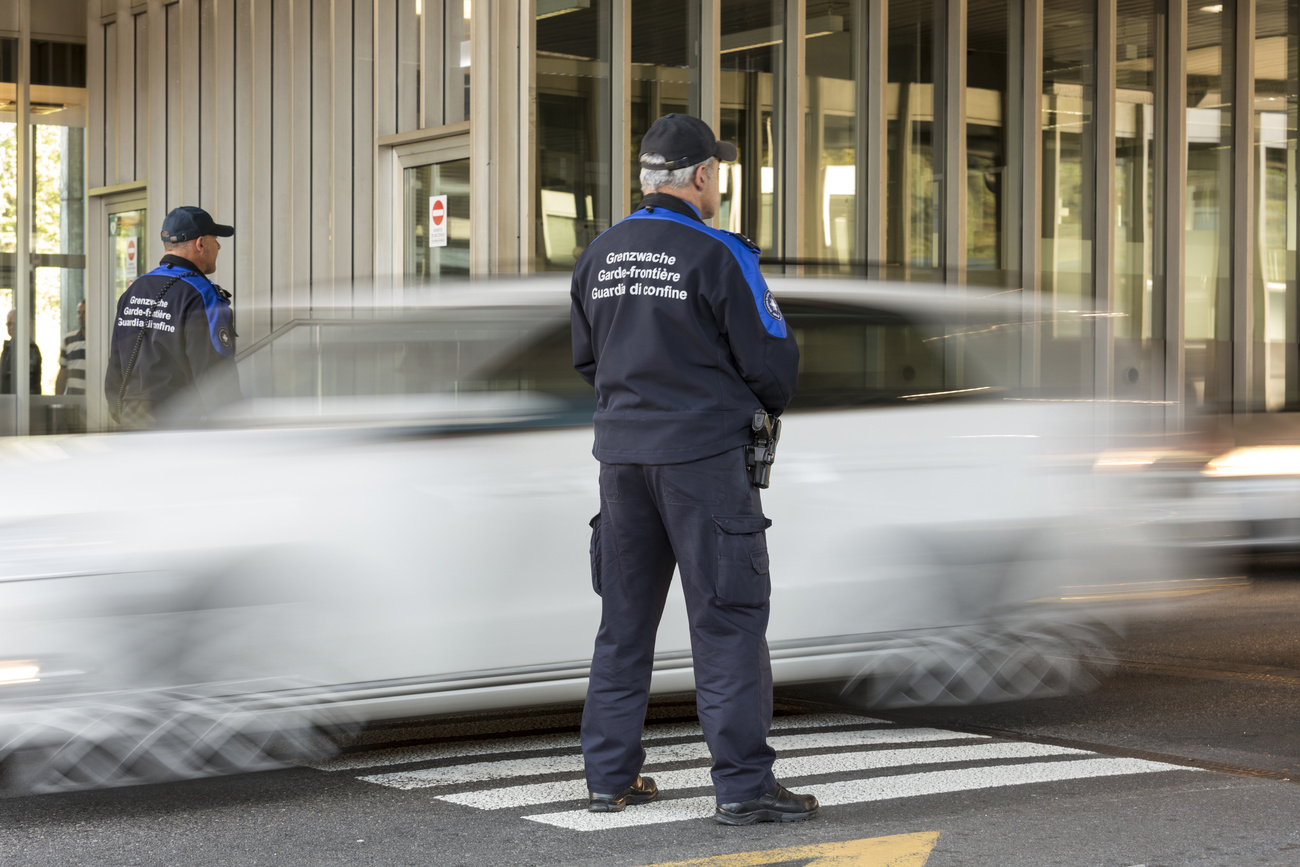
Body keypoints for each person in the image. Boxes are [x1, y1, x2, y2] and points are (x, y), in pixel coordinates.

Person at [570, 113, 813, 825]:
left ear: (647, 177)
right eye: (718, 173)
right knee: (727, 620)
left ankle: (609, 777)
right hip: (702, 462)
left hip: (620, 463)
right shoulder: (718, 253)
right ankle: (742, 785)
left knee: (624, 621)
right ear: (703, 176)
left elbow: (588, 359)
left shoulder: (601, 253)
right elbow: (773, 365)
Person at [104, 206, 241, 429]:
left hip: (131, 422)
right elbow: (214, 374)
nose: (219, 246)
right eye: (215, 238)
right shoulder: (202, 294)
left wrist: (121, 414)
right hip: (180, 427)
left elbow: (116, 364)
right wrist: (235, 427)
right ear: (200, 244)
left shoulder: (135, 290)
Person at [0, 309, 42, 395]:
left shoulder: (30, 348)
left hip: (23, 403)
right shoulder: (8, 347)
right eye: (9, 324)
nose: (11, 327)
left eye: (15, 324)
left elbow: (30, 381)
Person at [55, 299, 86, 396]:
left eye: (84, 312)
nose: (80, 316)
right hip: (73, 401)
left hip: (96, 402)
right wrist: (57, 399)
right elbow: (63, 372)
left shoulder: (102, 340)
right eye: (79, 313)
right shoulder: (69, 339)